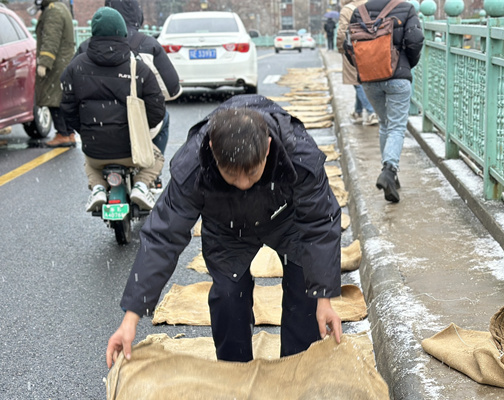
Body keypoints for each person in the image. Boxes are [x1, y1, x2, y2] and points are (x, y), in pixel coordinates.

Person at [106, 95, 343, 368]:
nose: (242, 184)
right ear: (212, 151)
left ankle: (296, 371)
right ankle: (235, 375)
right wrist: (130, 318)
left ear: (267, 148)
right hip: (227, 227)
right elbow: (163, 237)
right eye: (231, 175)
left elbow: (319, 223)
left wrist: (323, 299)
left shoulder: (299, 154)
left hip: (286, 218)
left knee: (306, 294)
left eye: (252, 173)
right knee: (229, 297)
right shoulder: (192, 166)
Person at [59, 7, 165, 212]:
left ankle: (98, 187)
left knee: (89, 163)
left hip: (95, 148)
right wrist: (142, 130)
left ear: (93, 33)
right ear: (122, 32)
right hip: (130, 149)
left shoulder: (75, 67)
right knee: (157, 157)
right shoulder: (138, 67)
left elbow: (67, 108)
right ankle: (142, 185)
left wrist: (87, 130)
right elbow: (156, 109)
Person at [76, 0, 181, 189]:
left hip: (96, 132)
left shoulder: (85, 48)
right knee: (163, 117)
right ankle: (149, 172)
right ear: (137, 14)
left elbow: (69, 94)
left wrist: (83, 126)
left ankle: (99, 186)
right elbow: (172, 90)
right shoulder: (148, 44)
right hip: (136, 129)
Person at [349, 0, 423, 203]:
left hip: (370, 80)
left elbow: (349, 47)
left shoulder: (359, 11)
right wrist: (406, 64)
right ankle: (389, 170)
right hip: (398, 78)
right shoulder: (406, 8)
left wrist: (366, 68)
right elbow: (416, 40)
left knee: (385, 124)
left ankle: (391, 175)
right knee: (397, 127)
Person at [31, 0, 76, 148]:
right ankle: (69, 133)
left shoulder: (53, 11)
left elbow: (51, 38)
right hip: (64, 61)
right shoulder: (61, 7)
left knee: (53, 99)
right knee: (62, 99)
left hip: (56, 64)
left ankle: (62, 133)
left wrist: (44, 62)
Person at [337, 0, 378, 126]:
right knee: (361, 80)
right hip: (373, 48)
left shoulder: (347, 9)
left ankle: (371, 112)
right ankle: (358, 112)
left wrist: (341, 48)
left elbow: (342, 33)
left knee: (358, 82)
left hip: (354, 48)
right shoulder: (372, 4)